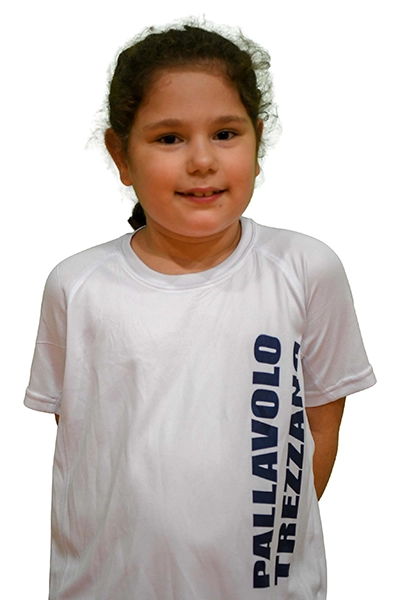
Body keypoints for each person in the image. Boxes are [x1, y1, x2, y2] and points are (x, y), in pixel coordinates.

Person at [24, 21, 376, 600]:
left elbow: (320, 427)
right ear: (121, 155)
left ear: (257, 145)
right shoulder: (78, 286)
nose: (202, 160)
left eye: (226, 133)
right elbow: (87, 444)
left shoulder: (306, 269)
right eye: (169, 138)